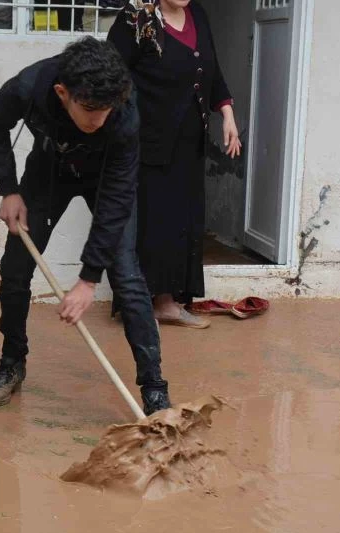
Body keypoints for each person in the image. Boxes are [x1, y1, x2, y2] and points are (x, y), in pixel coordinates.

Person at [0, 36, 171, 415]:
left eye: (107, 110)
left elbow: (116, 202)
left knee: (128, 277)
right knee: (15, 268)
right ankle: (11, 362)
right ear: (63, 93)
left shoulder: (124, 112)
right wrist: (9, 190)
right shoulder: (30, 86)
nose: (100, 120)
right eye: (90, 109)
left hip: (106, 180)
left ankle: (154, 388)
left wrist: (87, 280)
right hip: (49, 171)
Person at [108, 0, 241, 329]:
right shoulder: (137, 17)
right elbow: (110, 73)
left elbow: (212, 70)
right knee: (153, 222)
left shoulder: (198, 15)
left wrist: (227, 114)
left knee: (183, 219)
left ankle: (168, 303)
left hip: (189, 142)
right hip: (148, 141)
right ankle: (138, 305)